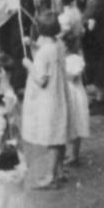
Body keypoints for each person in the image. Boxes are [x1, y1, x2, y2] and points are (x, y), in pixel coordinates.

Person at [20, 11, 71, 189]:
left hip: (47, 98)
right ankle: (60, 170)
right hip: (59, 96)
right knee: (59, 135)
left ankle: (50, 176)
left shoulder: (43, 53)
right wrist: (33, 45)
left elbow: (41, 79)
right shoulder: (58, 44)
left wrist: (28, 66)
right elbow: (47, 59)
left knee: (52, 138)